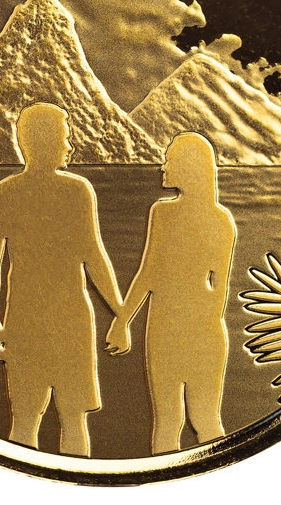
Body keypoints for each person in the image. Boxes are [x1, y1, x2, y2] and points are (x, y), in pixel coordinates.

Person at [0, 102, 123, 457]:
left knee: (27, 419)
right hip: (63, 320)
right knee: (69, 419)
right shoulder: (76, 191)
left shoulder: (4, 193)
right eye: (64, 138)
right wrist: (120, 313)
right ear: (45, 142)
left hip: (28, 320)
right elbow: (94, 257)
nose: (69, 146)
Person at [105, 132, 236, 454]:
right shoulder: (166, 213)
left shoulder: (217, 220)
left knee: (201, 419)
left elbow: (217, 289)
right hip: (172, 329)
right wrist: (122, 320)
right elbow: (150, 273)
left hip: (186, 330)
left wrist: (125, 320)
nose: (163, 167)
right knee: (171, 422)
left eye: (170, 160)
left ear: (191, 168)